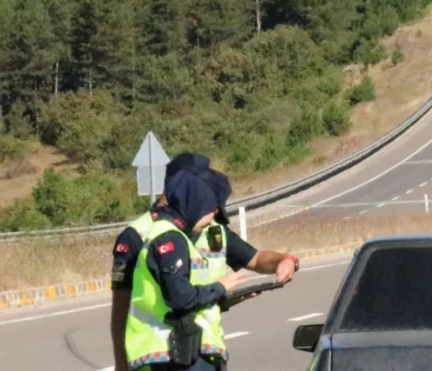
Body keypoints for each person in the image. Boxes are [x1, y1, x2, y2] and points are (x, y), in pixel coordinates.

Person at [111, 154, 299, 371]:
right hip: (165, 355)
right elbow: (122, 305)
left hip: (206, 352)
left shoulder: (212, 229)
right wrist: (120, 364)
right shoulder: (137, 235)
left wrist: (285, 260)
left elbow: (255, 259)